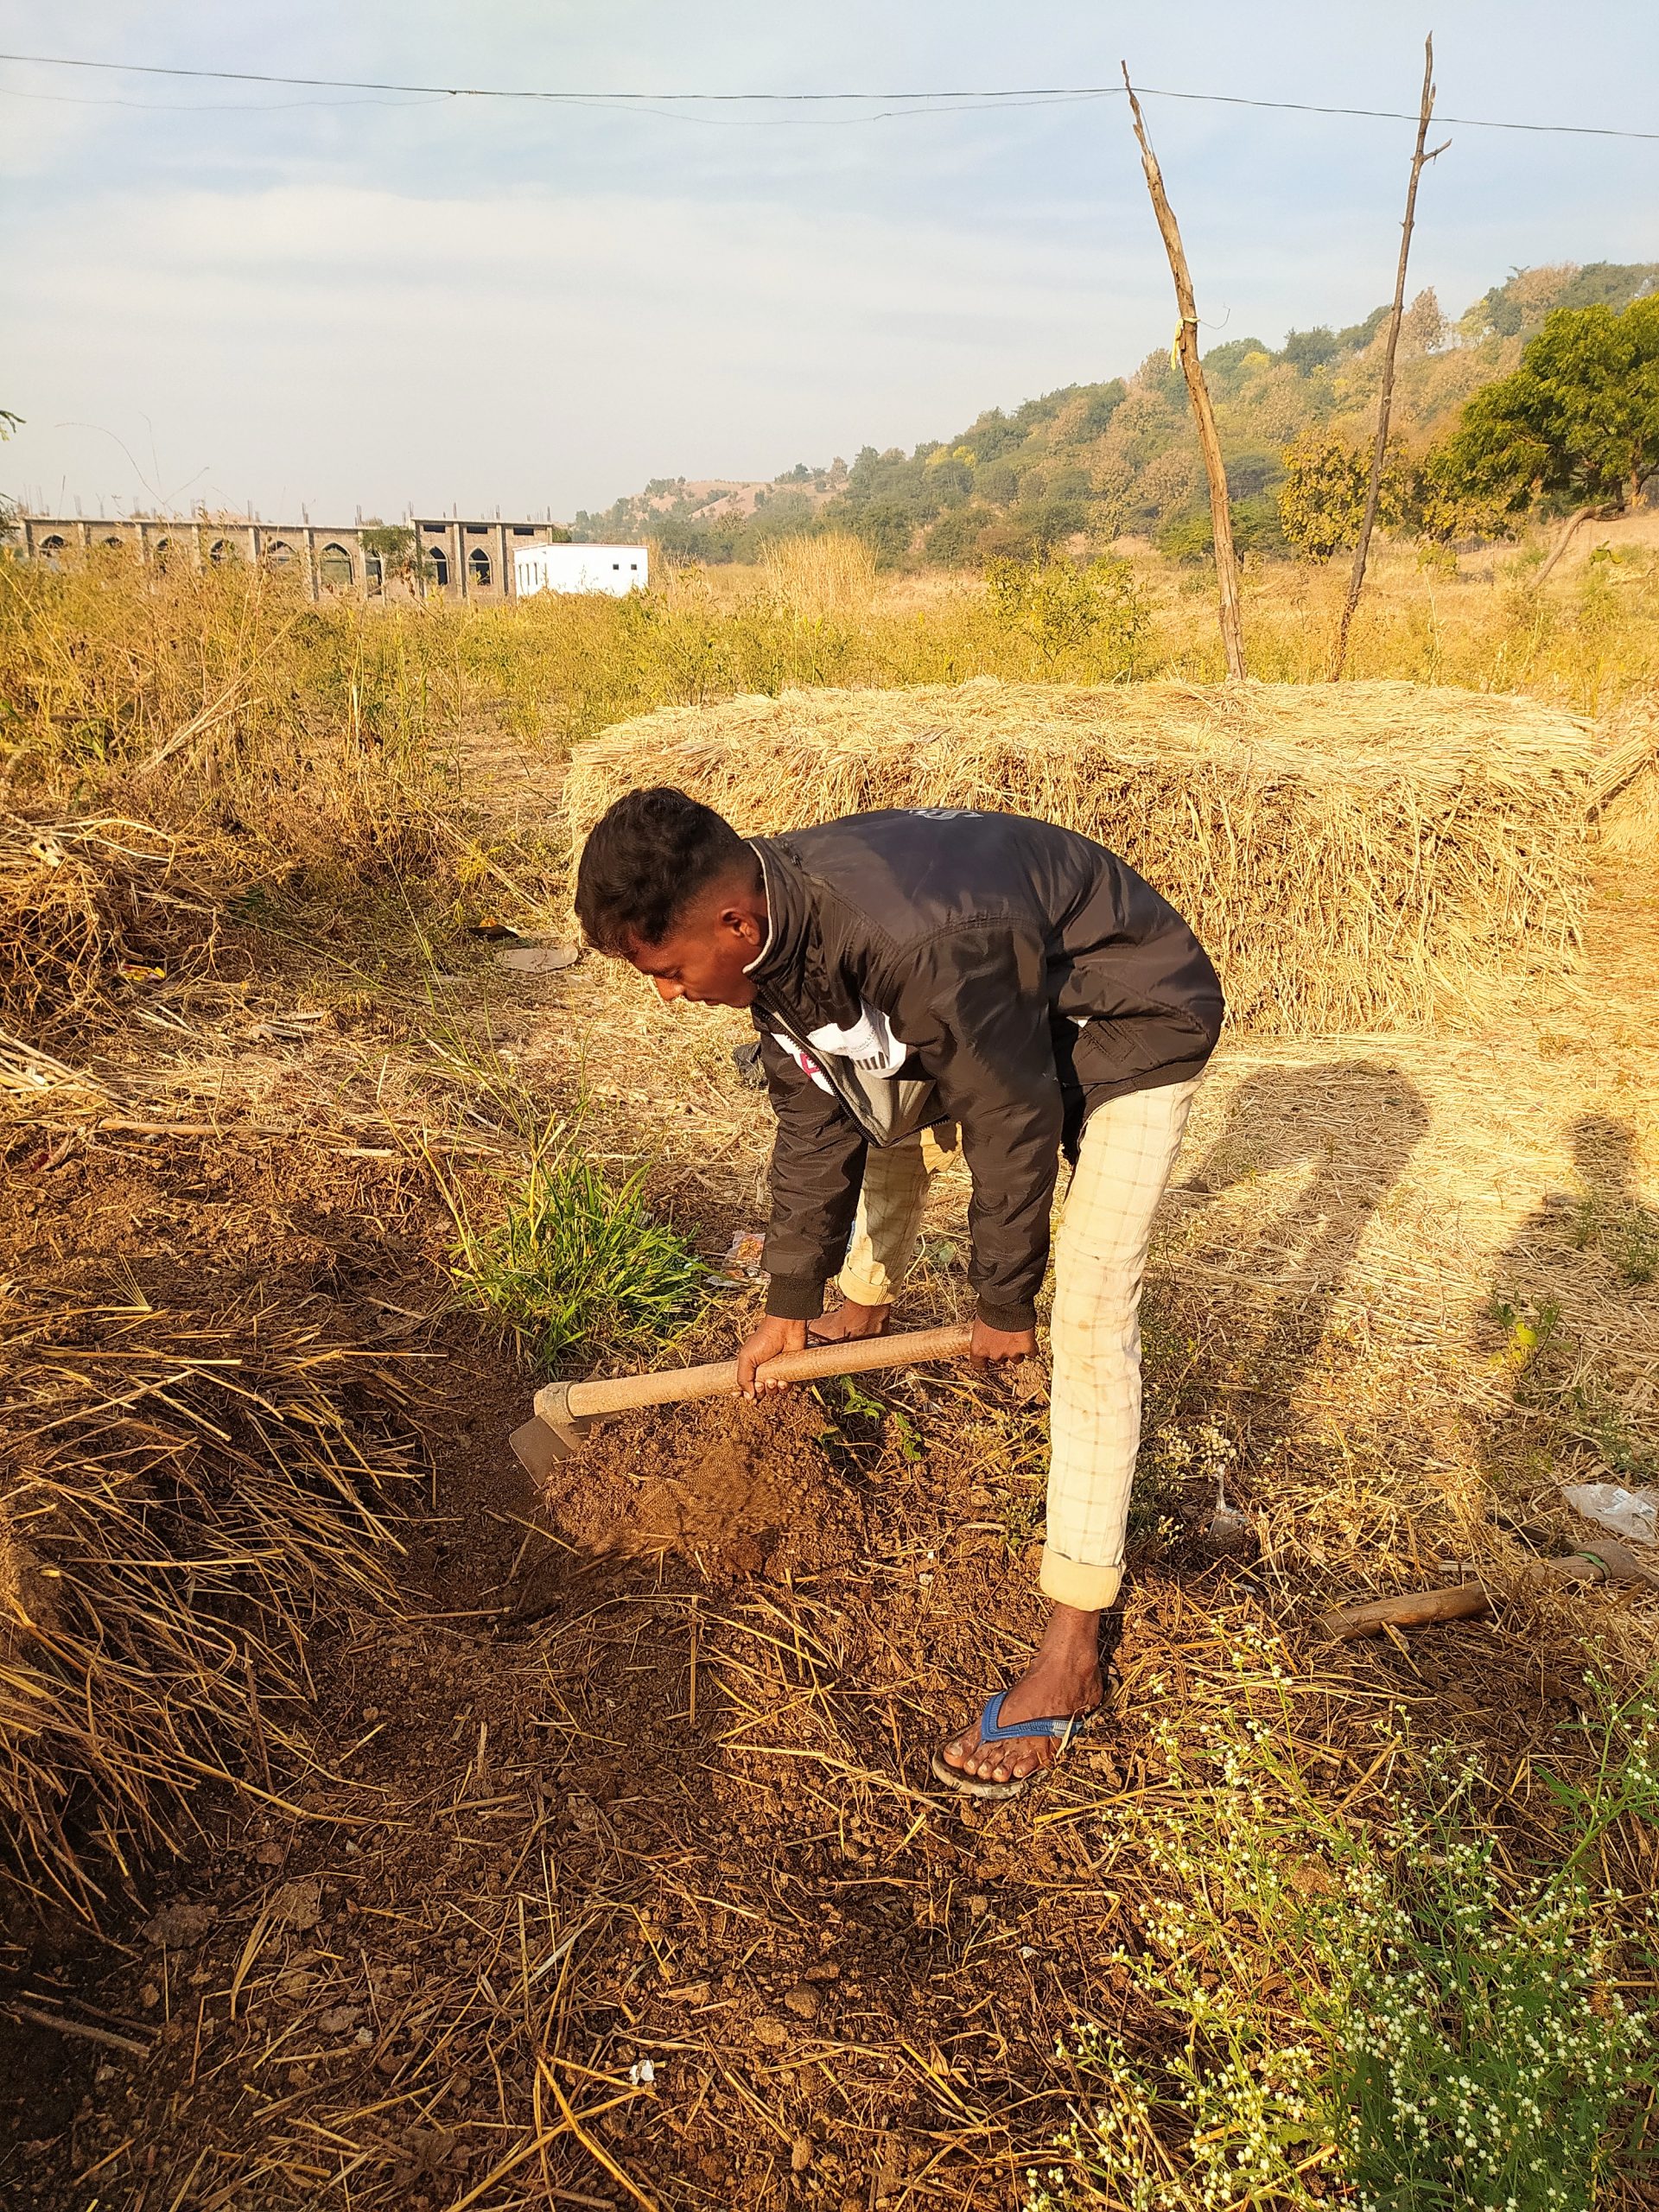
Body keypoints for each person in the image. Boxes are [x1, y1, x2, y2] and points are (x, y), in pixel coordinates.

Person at [575, 787, 1224, 1796]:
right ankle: (860, 1304)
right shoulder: (777, 933)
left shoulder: (916, 945)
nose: (667, 996)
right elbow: (819, 1106)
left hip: (1129, 1010)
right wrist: (788, 1300)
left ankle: (1071, 1651)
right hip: (1007, 1004)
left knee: (1091, 1312)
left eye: (665, 972)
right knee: (872, 1087)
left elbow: (1013, 1117)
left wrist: (1005, 1306)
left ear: (732, 924)